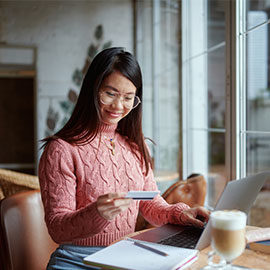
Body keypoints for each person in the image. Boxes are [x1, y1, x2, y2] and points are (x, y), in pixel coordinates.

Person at [38, 47, 210, 270]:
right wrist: (96, 213)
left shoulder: (135, 145)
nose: (118, 106)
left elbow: (151, 204)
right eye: (110, 94)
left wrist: (180, 213)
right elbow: (57, 228)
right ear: (93, 89)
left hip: (125, 254)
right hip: (76, 260)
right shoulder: (61, 149)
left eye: (128, 98)